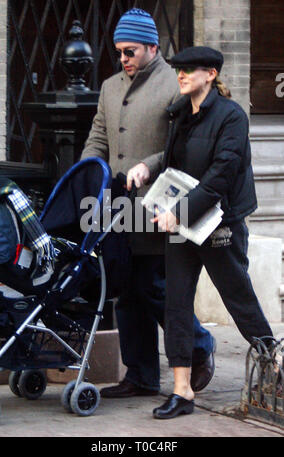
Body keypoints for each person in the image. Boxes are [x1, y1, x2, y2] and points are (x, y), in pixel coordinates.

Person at [127, 45, 274, 419]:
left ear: (211, 74)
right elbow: (174, 163)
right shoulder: (180, 113)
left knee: (237, 296)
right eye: (178, 69)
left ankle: (273, 366)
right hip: (181, 223)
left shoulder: (231, 116)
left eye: (189, 70)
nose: (181, 74)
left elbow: (222, 174)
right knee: (176, 303)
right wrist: (150, 173)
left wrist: (182, 212)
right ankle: (182, 391)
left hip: (218, 222)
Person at [81, 9, 216, 398]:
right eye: (119, 51)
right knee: (124, 288)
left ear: (153, 47)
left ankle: (200, 346)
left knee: (154, 286)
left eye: (131, 50)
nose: (123, 57)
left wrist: (149, 165)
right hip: (117, 205)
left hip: (159, 205)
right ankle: (139, 376)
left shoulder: (175, 84)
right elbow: (99, 137)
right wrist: (89, 174)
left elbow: (182, 144)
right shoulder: (109, 87)